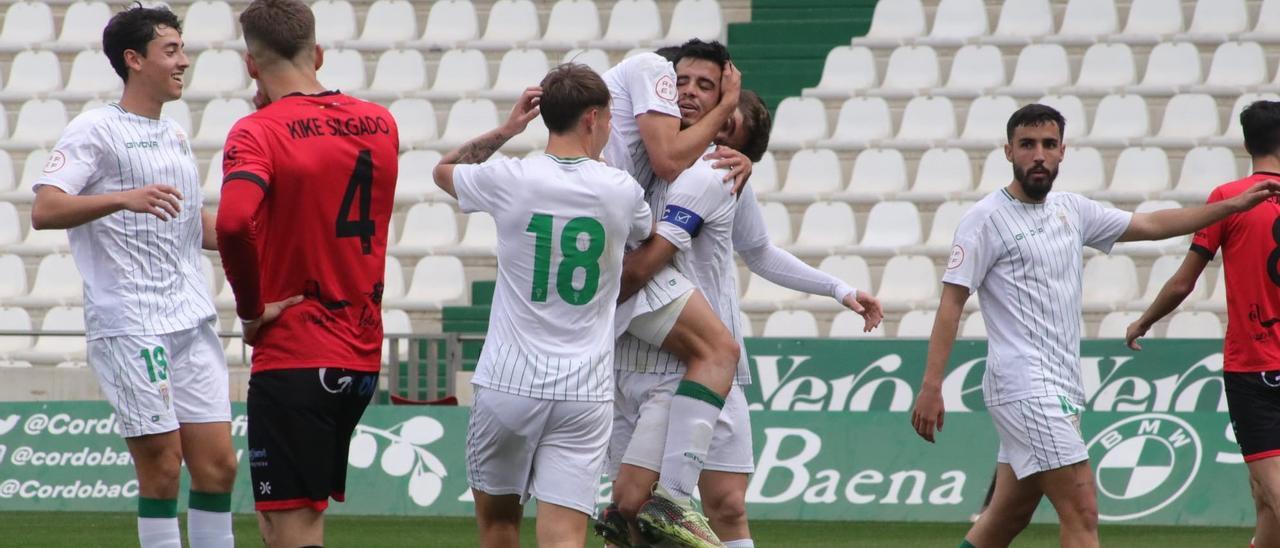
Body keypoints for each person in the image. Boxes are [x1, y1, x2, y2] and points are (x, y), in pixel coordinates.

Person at [909, 103, 1280, 548]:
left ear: (1063, 151)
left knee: (1007, 516)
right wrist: (932, 386)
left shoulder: (1071, 209)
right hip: (1025, 387)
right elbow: (951, 304)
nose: (1039, 154)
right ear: (1008, 151)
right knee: (1082, 510)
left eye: (1049, 144)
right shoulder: (985, 219)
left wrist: (1230, 207)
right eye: (1027, 145)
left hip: (1060, 386)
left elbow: (1151, 223)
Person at [29, 5, 235, 547]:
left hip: (190, 318)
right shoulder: (94, 128)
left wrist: (264, 231)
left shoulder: (174, 137)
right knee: (163, 469)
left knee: (219, 469)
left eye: (182, 49)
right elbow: (46, 209)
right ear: (133, 59)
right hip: (132, 323)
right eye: (171, 50)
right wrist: (124, 197)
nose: (184, 61)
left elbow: (193, 225)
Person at [431, 64, 652, 548]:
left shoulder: (511, 178)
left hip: (509, 381)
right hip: (584, 390)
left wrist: (508, 130)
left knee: (498, 527)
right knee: (565, 538)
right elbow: (643, 229)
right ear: (592, 118)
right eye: (610, 119)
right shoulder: (621, 190)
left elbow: (442, 170)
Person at [215, 0, 399, 545]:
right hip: (361, 352)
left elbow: (232, 224)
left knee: (292, 527)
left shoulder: (256, 132)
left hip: (297, 348)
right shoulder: (381, 121)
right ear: (317, 54)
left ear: (252, 65)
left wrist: (250, 310)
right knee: (278, 520)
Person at [598, 39, 760, 543]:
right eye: (680, 82)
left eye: (704, 86)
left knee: (726, 506)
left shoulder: (715, 170)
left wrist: (840, 289)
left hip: (685, 358)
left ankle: (673, 496)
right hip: (644, 349)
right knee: (629, 511)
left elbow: (761, 251)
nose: (687, 93)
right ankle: (670, 499)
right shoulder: (658, 158)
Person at [1125, 100, 1280, 548]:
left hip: (1255, 365)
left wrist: (1144, 321)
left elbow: (1182, 284)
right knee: (1264, 498)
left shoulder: (1228, 200)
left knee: (1273, 490)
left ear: (1247, 143)